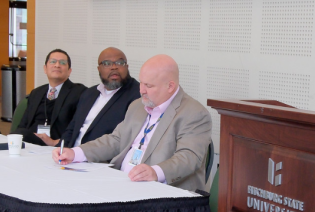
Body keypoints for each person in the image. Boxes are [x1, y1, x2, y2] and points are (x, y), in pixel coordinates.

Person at [53, 54, 212, 192]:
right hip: (124, 184)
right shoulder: (138, 105)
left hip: (165, 195)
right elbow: (116, 140)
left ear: (170, 86)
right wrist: (76, 153)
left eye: (148, 85)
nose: (141, 90)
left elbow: (189, 157)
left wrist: (156, 172)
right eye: (141, 83)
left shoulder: (194, 113)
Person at [60, 47, 140, 148]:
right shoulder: (89, 93)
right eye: (107, 63)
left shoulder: (137, 95)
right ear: (99, 69)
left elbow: (125, 139)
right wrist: (61, 149)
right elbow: (72, 128)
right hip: (71, 156)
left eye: (120, 63)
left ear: (127, 66)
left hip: (100, 160)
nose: (114, 67)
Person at [12, 49, 86, 146]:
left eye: (62, 62)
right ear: (45, 69)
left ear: (69, 71)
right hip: (30, 143)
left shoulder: (79, 93)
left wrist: (54, 142)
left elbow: (79, 129)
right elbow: (23, 125)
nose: (57, 65)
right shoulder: (36, 93)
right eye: (53, 61)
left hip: (57, 146)